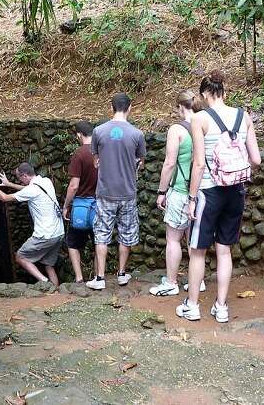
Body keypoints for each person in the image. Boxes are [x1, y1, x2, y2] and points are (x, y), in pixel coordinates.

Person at [177, 70, 261, 322]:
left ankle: (193, 305)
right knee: (225, 250)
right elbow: (256, 159)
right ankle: (221, 307)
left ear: (204, 94)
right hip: (235, 191)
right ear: (225, 92)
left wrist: (191, 198)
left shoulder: (199, 119)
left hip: (208, 192)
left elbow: (199, 164)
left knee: (198, 250)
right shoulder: (243, 116)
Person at [86, 93, 146, 290]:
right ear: (130, 108)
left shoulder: (98, 131)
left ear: (111, 107)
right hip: (127, 191)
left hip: (105, 192)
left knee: (102, 233)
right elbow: (140, 162)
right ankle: (121, 273)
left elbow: (95, 160)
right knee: (126, 233)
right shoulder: (137, 134)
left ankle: (100, 278)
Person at [150, 90, 206, 296]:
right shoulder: (205, 124)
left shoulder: (177, 129)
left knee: (173, 238)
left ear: (181, 107)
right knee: (195, 239)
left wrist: (161, 191)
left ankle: (171, 282)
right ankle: (197, 281)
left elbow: (170, 162)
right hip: (202, 191)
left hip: (181, 190)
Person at [0, 163, 64, 285]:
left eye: (19, 178)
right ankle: (57, 292)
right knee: (48, 265)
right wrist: (9, 184)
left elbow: (4, 198)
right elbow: (29, 190)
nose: (19, 180)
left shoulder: (32, 190)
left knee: (20, 257)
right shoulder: (46, 181)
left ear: (25, 175)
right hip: (58, 233)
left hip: (45, 235)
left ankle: (45, 283)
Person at [62, 121, 98, 283]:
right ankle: (99, 276)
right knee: (99, 242)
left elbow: (74, 185)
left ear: (79, 135)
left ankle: (79, 278)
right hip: (100, 205)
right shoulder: (101, 152)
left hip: (82, 206)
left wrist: (66, 205)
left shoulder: (79, 154)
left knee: (73, 243)